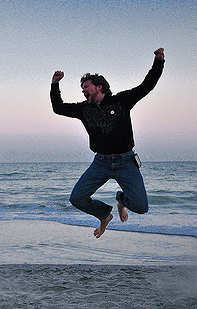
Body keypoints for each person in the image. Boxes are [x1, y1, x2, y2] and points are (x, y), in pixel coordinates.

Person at [50, 48, 165, 238]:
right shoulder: (83, 109)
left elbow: (148, 85)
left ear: (99, 87)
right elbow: (58, 108)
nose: (83, 90)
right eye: (82, 88)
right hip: (101, 163)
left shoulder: (121, 101)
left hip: (126, 162)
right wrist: (55, 84)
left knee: (141, 207)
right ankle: (104, 215)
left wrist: (158, 62)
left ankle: (121, 199)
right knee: (77, 198)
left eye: (86, 86)